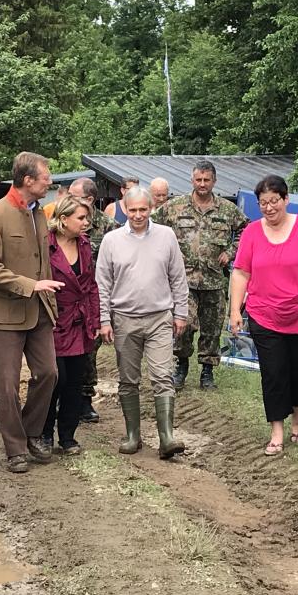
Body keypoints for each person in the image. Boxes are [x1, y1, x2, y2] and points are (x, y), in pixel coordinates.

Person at [0, 152, 61, 473]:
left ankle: (31, 432)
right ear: (28, 180)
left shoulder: (39, 213)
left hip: (39, 311)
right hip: (5, 315)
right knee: (8, 385)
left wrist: (45, 293)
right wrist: (31, 285)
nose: (50, 181)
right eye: (46, 176)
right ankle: (15, 448)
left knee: (49, 373)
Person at [230, 175, 298, 456]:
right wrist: (235, 309)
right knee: (273, 373)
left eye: (274, 201)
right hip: (264, 313)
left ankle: (297, 423)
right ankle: (277, 431)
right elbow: (241, 272)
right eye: (263, 203)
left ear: (286, 200)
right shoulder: (252, 233)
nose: (269, 208)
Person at [96, 186, 188, 459]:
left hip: (160, 317)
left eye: (143, 210)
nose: (138, 215)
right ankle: (133, 435)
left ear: (151, 209)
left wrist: (180, 312)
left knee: (163, 375)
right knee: (128, 379)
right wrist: (104, 319)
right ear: (125, 208)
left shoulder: (166, 236)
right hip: (124, 319)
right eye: (133, 210)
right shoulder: (111, 241)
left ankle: (166, 437)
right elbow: (102, 284)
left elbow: (178, 277)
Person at [153, 159, 248, 390]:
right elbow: (153, 226)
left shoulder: (227, 209)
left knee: (212, 329)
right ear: (192, 180)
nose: (202, 184)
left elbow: (246, 230)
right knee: (183, 326)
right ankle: (181, 366)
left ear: (214, 181)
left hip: (214, 280)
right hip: (183, 280)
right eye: (198, 179)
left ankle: (207, 371)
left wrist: (231, 251)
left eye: (207, 180)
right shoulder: (175, 207)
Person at [41, 196, 100, 454]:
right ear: (63, 219)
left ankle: (67, 435)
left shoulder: (85, 244)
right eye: (81, 218)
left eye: (86, 218)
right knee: (55, 379)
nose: (86, 223)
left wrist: (95, 318)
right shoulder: (45, 244)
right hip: (53, 320)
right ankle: (43, 433)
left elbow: (91, 284)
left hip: (79, 321)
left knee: (75, 381)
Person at [68, 177, 118, 423]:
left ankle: (85, 399)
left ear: (89, 199)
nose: (68, 198)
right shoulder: (62, 221)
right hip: (67, 297)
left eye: (74, 195)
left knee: (89, 349)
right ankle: (65, 398)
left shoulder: (110, 227)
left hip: (95, 298)